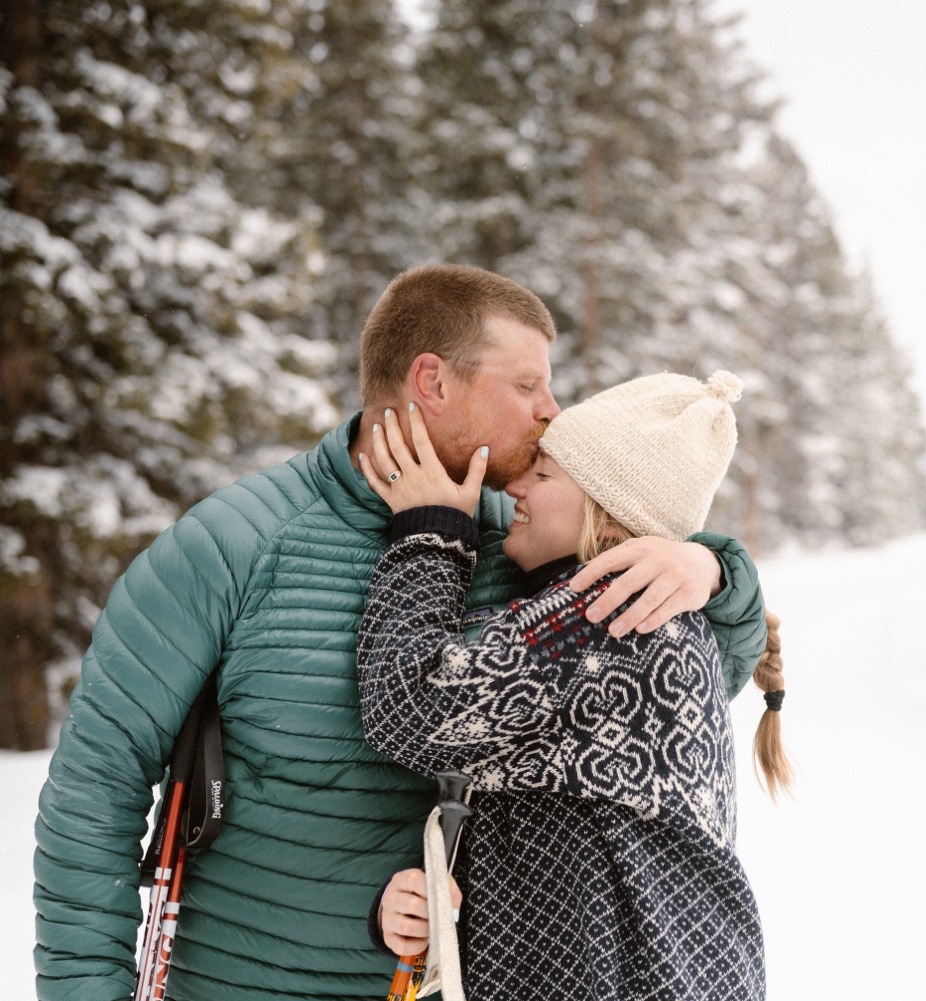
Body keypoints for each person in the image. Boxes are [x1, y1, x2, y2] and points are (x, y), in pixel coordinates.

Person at [33, 264, 768, 1001]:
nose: (552, 411)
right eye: (526, 386)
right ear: (433, 382)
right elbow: (95, 787)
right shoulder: (234, 544)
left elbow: (683, 695)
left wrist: (708, 566)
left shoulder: (525, 545)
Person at [355, 369, 789, 1000]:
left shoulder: (603, 614)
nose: (516, 485)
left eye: (545, 474)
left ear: (608, 520)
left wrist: (431, 534)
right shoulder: (651, 619)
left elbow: (412, 706)